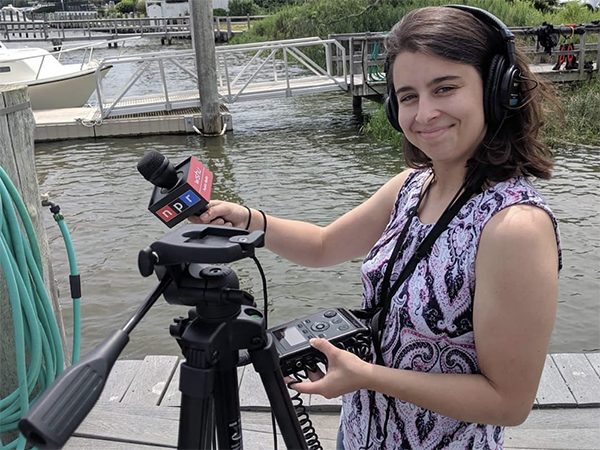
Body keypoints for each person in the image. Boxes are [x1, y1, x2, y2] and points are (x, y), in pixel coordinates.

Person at [190, 5, 562, 449]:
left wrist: (366, 375)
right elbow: (325, 245)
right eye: (407, 96)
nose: (424, 114)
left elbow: (508, 402)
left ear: (499, 90)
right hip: (361, 436)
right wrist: (250, 220)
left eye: (444, 88)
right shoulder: (411, 186)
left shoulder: (514, 227)